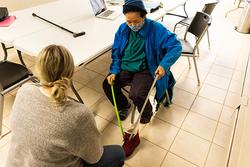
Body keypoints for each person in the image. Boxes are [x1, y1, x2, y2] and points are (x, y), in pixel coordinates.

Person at [6, 45, 125, 167]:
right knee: (118, 153)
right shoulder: (79, 114)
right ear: (70, 73)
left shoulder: (24, 90)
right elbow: (95, 157)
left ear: (38, 69)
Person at [103, 0, 182, 124]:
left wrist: (163, 65)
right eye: (129, 21)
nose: (132, 25)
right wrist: (113, 71)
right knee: (108, 84)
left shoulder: (156, 28)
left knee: (137, 95)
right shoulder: (123, 29)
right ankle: (124, 106)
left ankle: (146, 113)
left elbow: (176, 46)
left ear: (144, 16)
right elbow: (116, 52)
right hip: (126, 67)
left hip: (146, 68)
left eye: (136, 21)